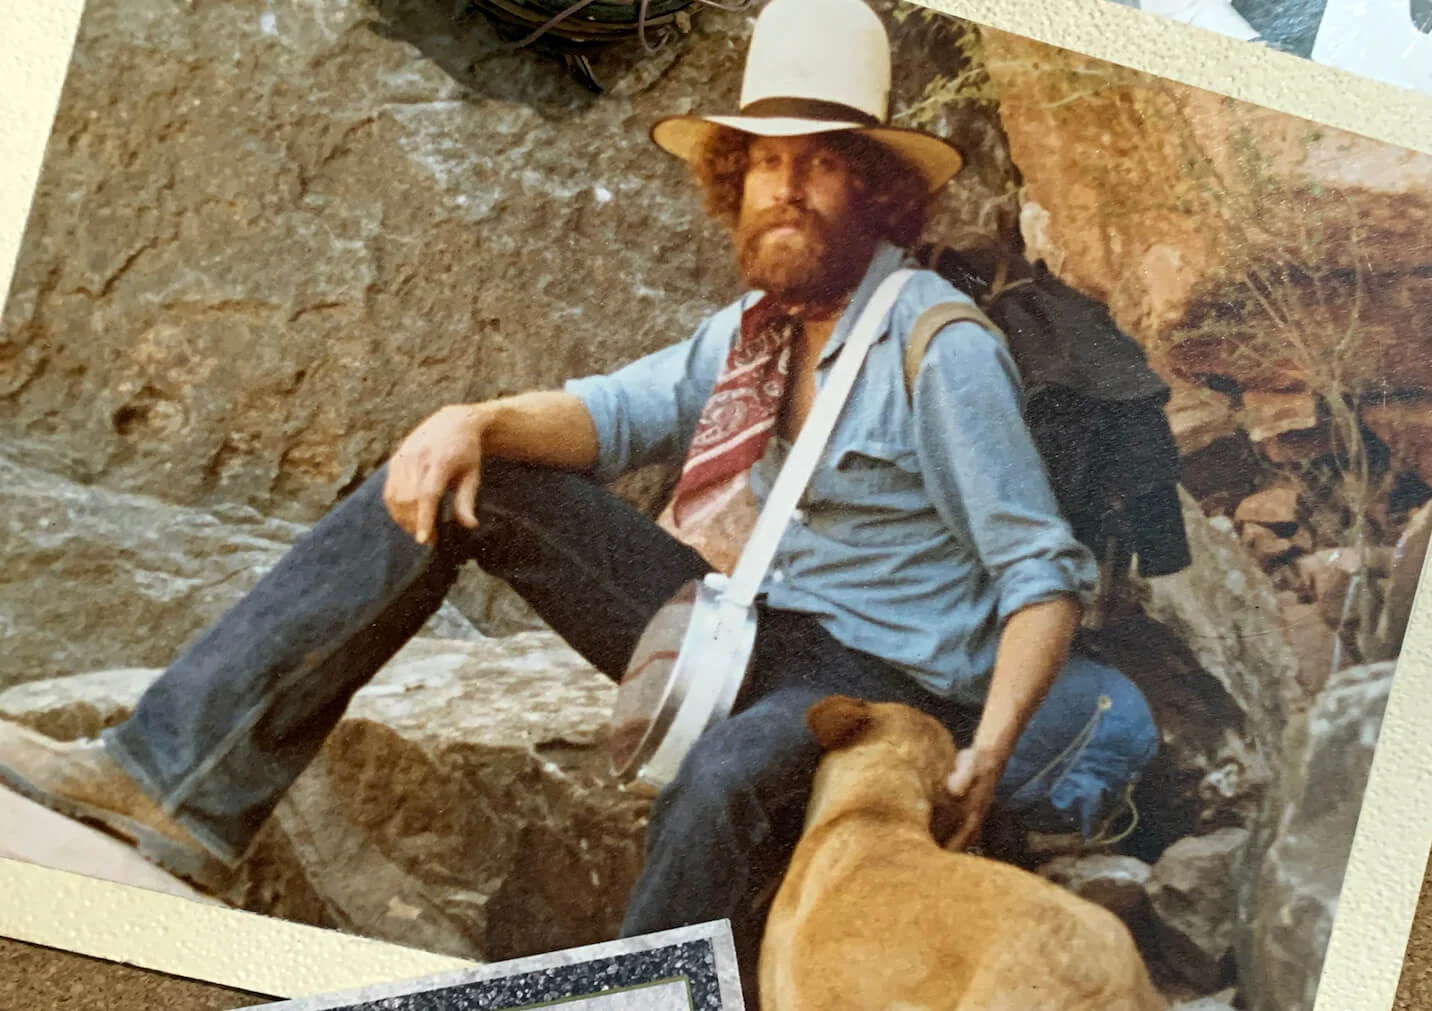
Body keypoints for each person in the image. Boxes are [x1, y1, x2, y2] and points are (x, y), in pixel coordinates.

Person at [0, 0, 1159, 998]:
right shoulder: (750, 335)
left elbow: (1037, 577)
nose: (784, 189)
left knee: (732, 770)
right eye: (763, 161)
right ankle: (175, 783)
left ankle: (637, 998)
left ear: (875, 190)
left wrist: (984, 755)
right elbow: (606, 418)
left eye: (819, 162)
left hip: (885, 690)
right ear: (732, 179)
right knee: (478, 479)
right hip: (750, 635)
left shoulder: (935, 346)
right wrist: (470, 422)